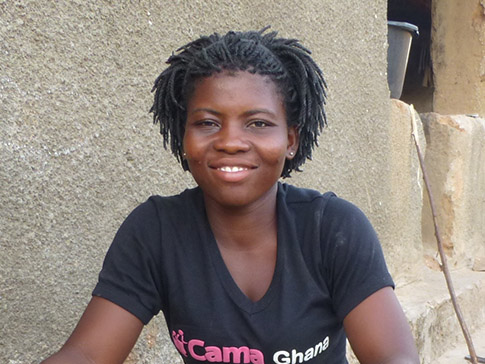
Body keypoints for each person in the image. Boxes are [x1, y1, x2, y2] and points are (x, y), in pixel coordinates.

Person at [42, 28, 419, 364]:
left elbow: (393, 356)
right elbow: (87, 354)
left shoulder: (332, 229)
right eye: (207, 123)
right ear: (182, 135)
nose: (230, 142)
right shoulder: (156, 232)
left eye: (258, 123)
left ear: (290, 140)